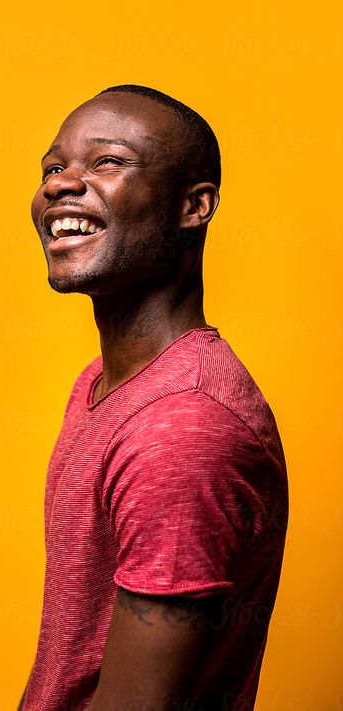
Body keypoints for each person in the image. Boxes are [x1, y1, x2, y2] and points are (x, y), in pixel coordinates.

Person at [17, 84, 288, 711]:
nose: (61, 184)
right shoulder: (100, 384)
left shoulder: (183, 427)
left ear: (195, 206)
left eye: (107, 161)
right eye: (53, 168)